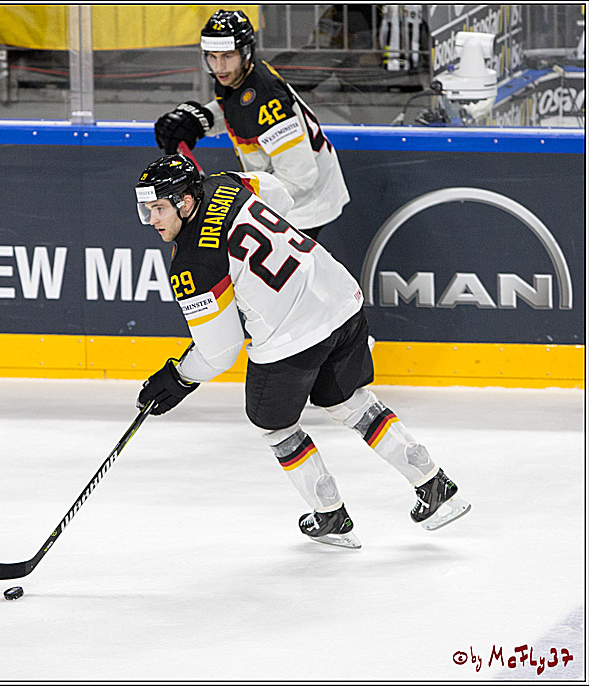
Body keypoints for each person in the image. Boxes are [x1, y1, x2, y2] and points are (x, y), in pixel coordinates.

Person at [133, 155, 470, 548]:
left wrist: (179, 377)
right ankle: (434, 484)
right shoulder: (225, 182)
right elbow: (280, 195)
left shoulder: (192, 263)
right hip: (341, 301)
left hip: (291, 337)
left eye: (158, 208)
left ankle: (330, 515)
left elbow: (221, 352)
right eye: (146, 210)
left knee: (273, 424)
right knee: (351, 402)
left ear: (185, 201)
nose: (152, 220)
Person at [153, 9, 349, 241]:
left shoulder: (266, 100)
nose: (219, 67)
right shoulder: (238, 76)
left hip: (304, 206)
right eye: (212, 57)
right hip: (288, 192)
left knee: (281, 273)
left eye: (227, 56)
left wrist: (237, 198)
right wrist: (203, 119)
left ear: (245, 53)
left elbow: (301, 177)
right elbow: (238, 110)